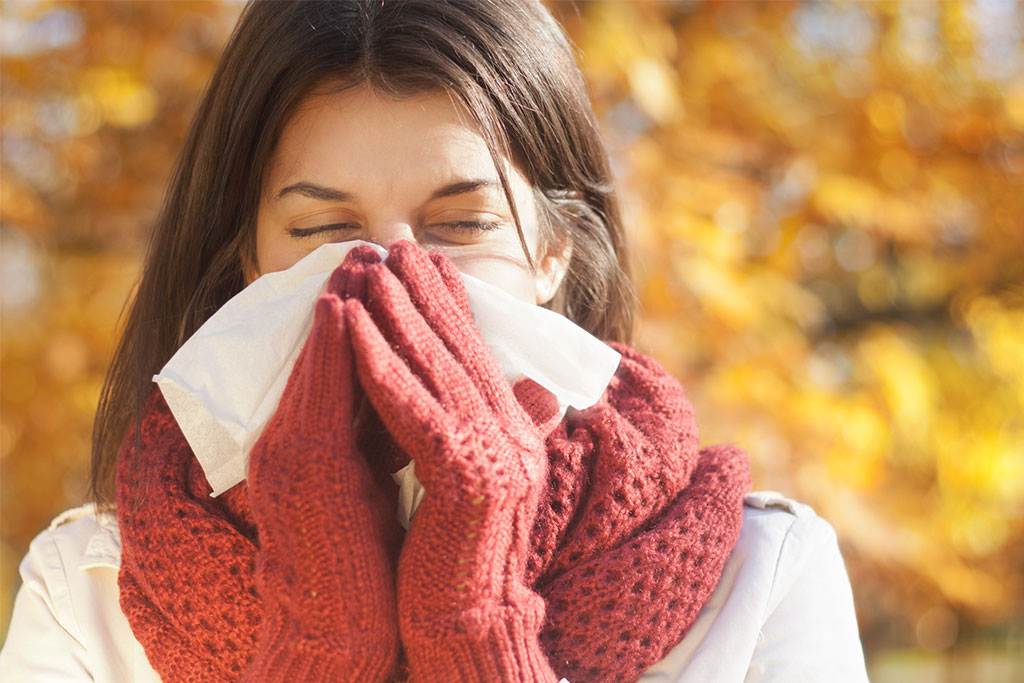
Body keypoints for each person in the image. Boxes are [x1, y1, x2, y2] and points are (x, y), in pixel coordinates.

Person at [0, 1, 870, 681]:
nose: (393, 278)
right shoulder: (89, 588)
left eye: (462, 224)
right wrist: (320, 652)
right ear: (247, 263)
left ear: (556, 250)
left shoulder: (760, 579)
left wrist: (478, 634)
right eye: (325, 230)